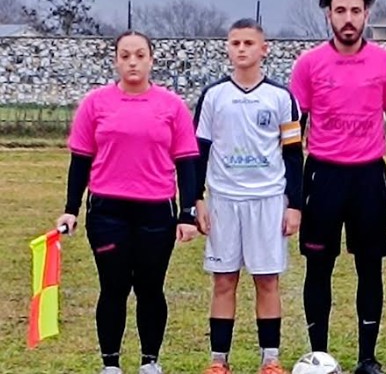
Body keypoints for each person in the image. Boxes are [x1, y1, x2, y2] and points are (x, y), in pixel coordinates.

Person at [55, 31, 200, 374]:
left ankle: (150, 361)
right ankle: (111, 364)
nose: (132, 62)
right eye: (125, 56)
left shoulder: (171, 106)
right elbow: (80, 160)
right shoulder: (95, 104)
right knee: (113, 287)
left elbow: (186, 162)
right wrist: (71, 209)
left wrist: (187, 214)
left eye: (139, 55)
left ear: (151, 60)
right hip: (108, 212)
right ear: (116, 61)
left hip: (156, 211)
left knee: (150, 288)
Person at [289, 0, 386, 374]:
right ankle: (319, 357)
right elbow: (293, 131)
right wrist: (291, 191)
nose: (348, 18)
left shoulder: (385, 62)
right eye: (340, 10)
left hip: (368, 178)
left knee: (369, 267)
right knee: (318, 267)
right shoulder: (309, 64)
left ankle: (367, 358)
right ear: (328, 15)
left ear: (366, 15)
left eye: (355, 11)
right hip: (323, 177)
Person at [194, 19, 303, 374]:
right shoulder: (213, 96)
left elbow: (293, 155)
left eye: (249, 43)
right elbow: (199, 152)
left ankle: (270, 359)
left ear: (264, 49)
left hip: (268, 201)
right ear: (227, 48)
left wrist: (295, 204)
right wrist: (196, 199)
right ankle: (218, 361)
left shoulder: (281, 97)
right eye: (235, 43)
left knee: (267, 280)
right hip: (224, 201)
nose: (241, 49)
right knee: (224, 280)